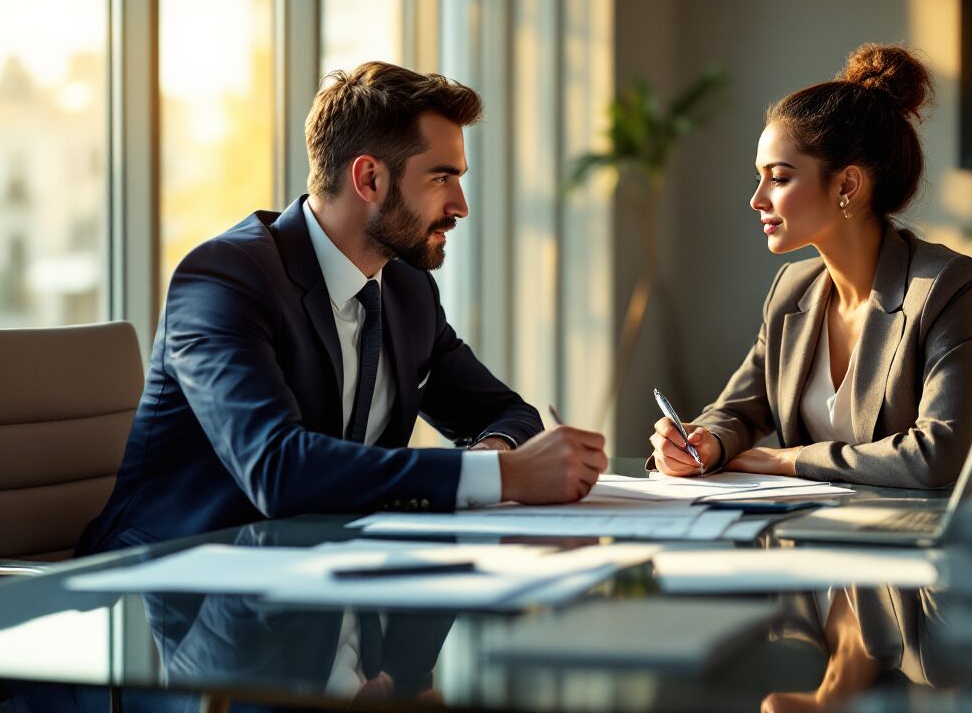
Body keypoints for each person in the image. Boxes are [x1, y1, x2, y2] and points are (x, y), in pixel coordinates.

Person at [79, 62, 606, 556]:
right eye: (441, 178)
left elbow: (506, 412)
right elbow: (277, 469)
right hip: (176, 596)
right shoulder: (224, 280)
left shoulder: (405, 288)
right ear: (369, 179)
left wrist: (492, 452)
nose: (460, 205)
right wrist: (506, 477)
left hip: (329, 582)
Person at [649, 44, 972, 488]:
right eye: (759, 177)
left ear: (846, 184)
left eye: (779, 178)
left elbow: (938, 453)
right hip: (819, 532)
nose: (758, 199)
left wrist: (788, 461)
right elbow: (737, 410)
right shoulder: (792, 289)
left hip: (940, 533)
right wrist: (704, 443)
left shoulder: (944, 285)